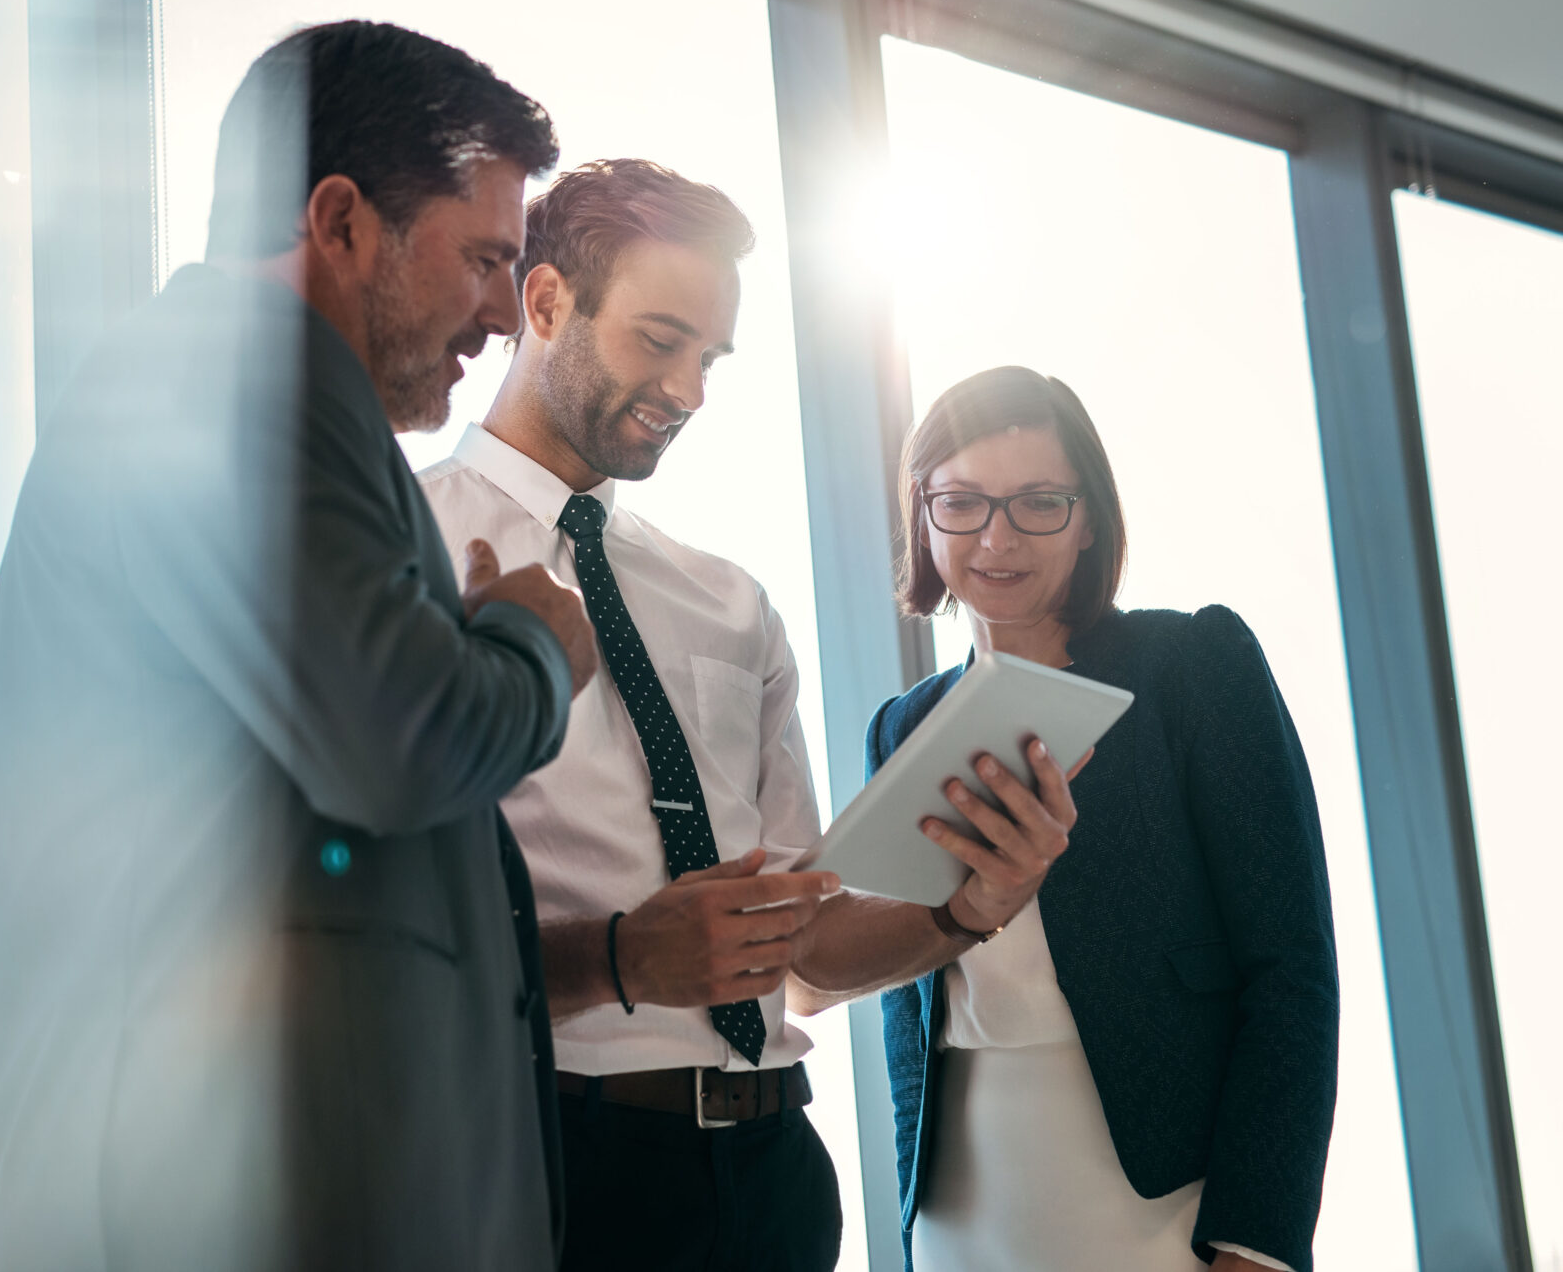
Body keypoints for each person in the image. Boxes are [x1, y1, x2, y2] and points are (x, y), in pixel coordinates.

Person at [0, 21, 598, 1272]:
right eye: (478, 258)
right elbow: (399, 735)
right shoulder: (232, 376)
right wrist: (534, 638)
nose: (494, 315)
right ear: (340, 219)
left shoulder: (246, 395)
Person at [418, 160, 1083, 1272]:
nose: (687, 389)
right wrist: (622, 956)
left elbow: (804, 942)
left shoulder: (727, 602)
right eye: (658, 337)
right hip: (558, 1158)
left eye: (709, 357)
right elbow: (377, 934)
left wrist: (968, 908)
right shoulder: (408, 550)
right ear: (543, 304)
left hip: (774, 1170)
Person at [866, 366, 1341, 1272]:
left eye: (1038, 502)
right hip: (963, 1198)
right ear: (923, 516)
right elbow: (909, 1009)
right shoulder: (901, 727)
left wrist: (1258, 1242)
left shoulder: (1190, 664)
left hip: (1166, 1196)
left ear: (1087, 520)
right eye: (961, 502)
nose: (998, 536)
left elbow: (1292, 973)